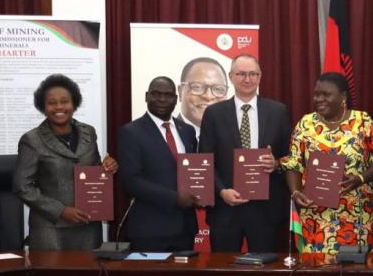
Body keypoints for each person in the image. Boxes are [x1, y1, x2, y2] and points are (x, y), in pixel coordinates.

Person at [13, 74, 118, 250]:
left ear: (74, 104)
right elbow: (22, 187)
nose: (59, 107)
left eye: (64, 101)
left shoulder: (89, 133)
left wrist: (108, 167)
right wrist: (60, 210)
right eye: (52, 102)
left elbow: (94, 173)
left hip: (88, 227)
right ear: (43, 107)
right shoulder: (31, 140)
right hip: (51, 231)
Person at [283, 72, 373, 254]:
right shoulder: (305, 124)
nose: (319, 99)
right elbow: (293, 164)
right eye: (316, 94)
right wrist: (296, 192)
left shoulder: (363, 122)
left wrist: (360, 178)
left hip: (358, 217)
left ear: (343, 96)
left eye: (326, 94)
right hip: (315, 218)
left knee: (358, 275)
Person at [199, 55, 291, 252]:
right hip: (226, 208)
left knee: (266, 274)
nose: (247, 79)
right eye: (241, 74)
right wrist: (221, 191)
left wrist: (275, 164)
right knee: (224, 274)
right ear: (231, 77)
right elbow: (205, 161)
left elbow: (290, 156)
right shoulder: (214, 114)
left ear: (260, 77)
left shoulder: (278, 111)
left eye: (252, 74)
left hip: (266, 210)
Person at [118, 76, 199, 252]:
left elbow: (195, 170)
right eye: (156, 94)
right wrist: (174, 198)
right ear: (147, 96)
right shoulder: (131, 132)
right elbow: (131, 181)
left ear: (176, 99)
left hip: (185, 229)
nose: (162, 99)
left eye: (168, 95)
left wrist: (202, 193)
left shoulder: (188, 131)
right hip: (150, 231)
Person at [177, 57, 229, 138]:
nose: (208, 96)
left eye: (218, 89)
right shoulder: (164, 137)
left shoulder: (234, 138)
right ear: (180, 92)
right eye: (197, 87)